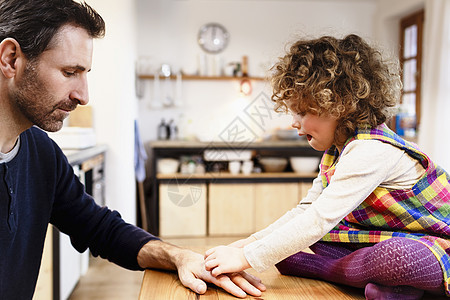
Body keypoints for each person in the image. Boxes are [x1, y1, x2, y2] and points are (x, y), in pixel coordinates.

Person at [0, 0, 266, 298]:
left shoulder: (42, 154)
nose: (83, 95)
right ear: (11, 59)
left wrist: (179, 257)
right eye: (69, 72)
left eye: (85, 73)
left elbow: (101, 228)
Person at [204, 34, 450, 299]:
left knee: (396, 258)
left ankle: (325, 269)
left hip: (434, 246)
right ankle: (395, 289)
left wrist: (246, 257)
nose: (294, 123)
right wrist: (247, 245)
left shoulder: (371, 149)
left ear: (339, 105)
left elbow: (318, 220)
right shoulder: (338, 149)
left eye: (302, 112)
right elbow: (307, 210)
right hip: (384, 236)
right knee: (302, 237)